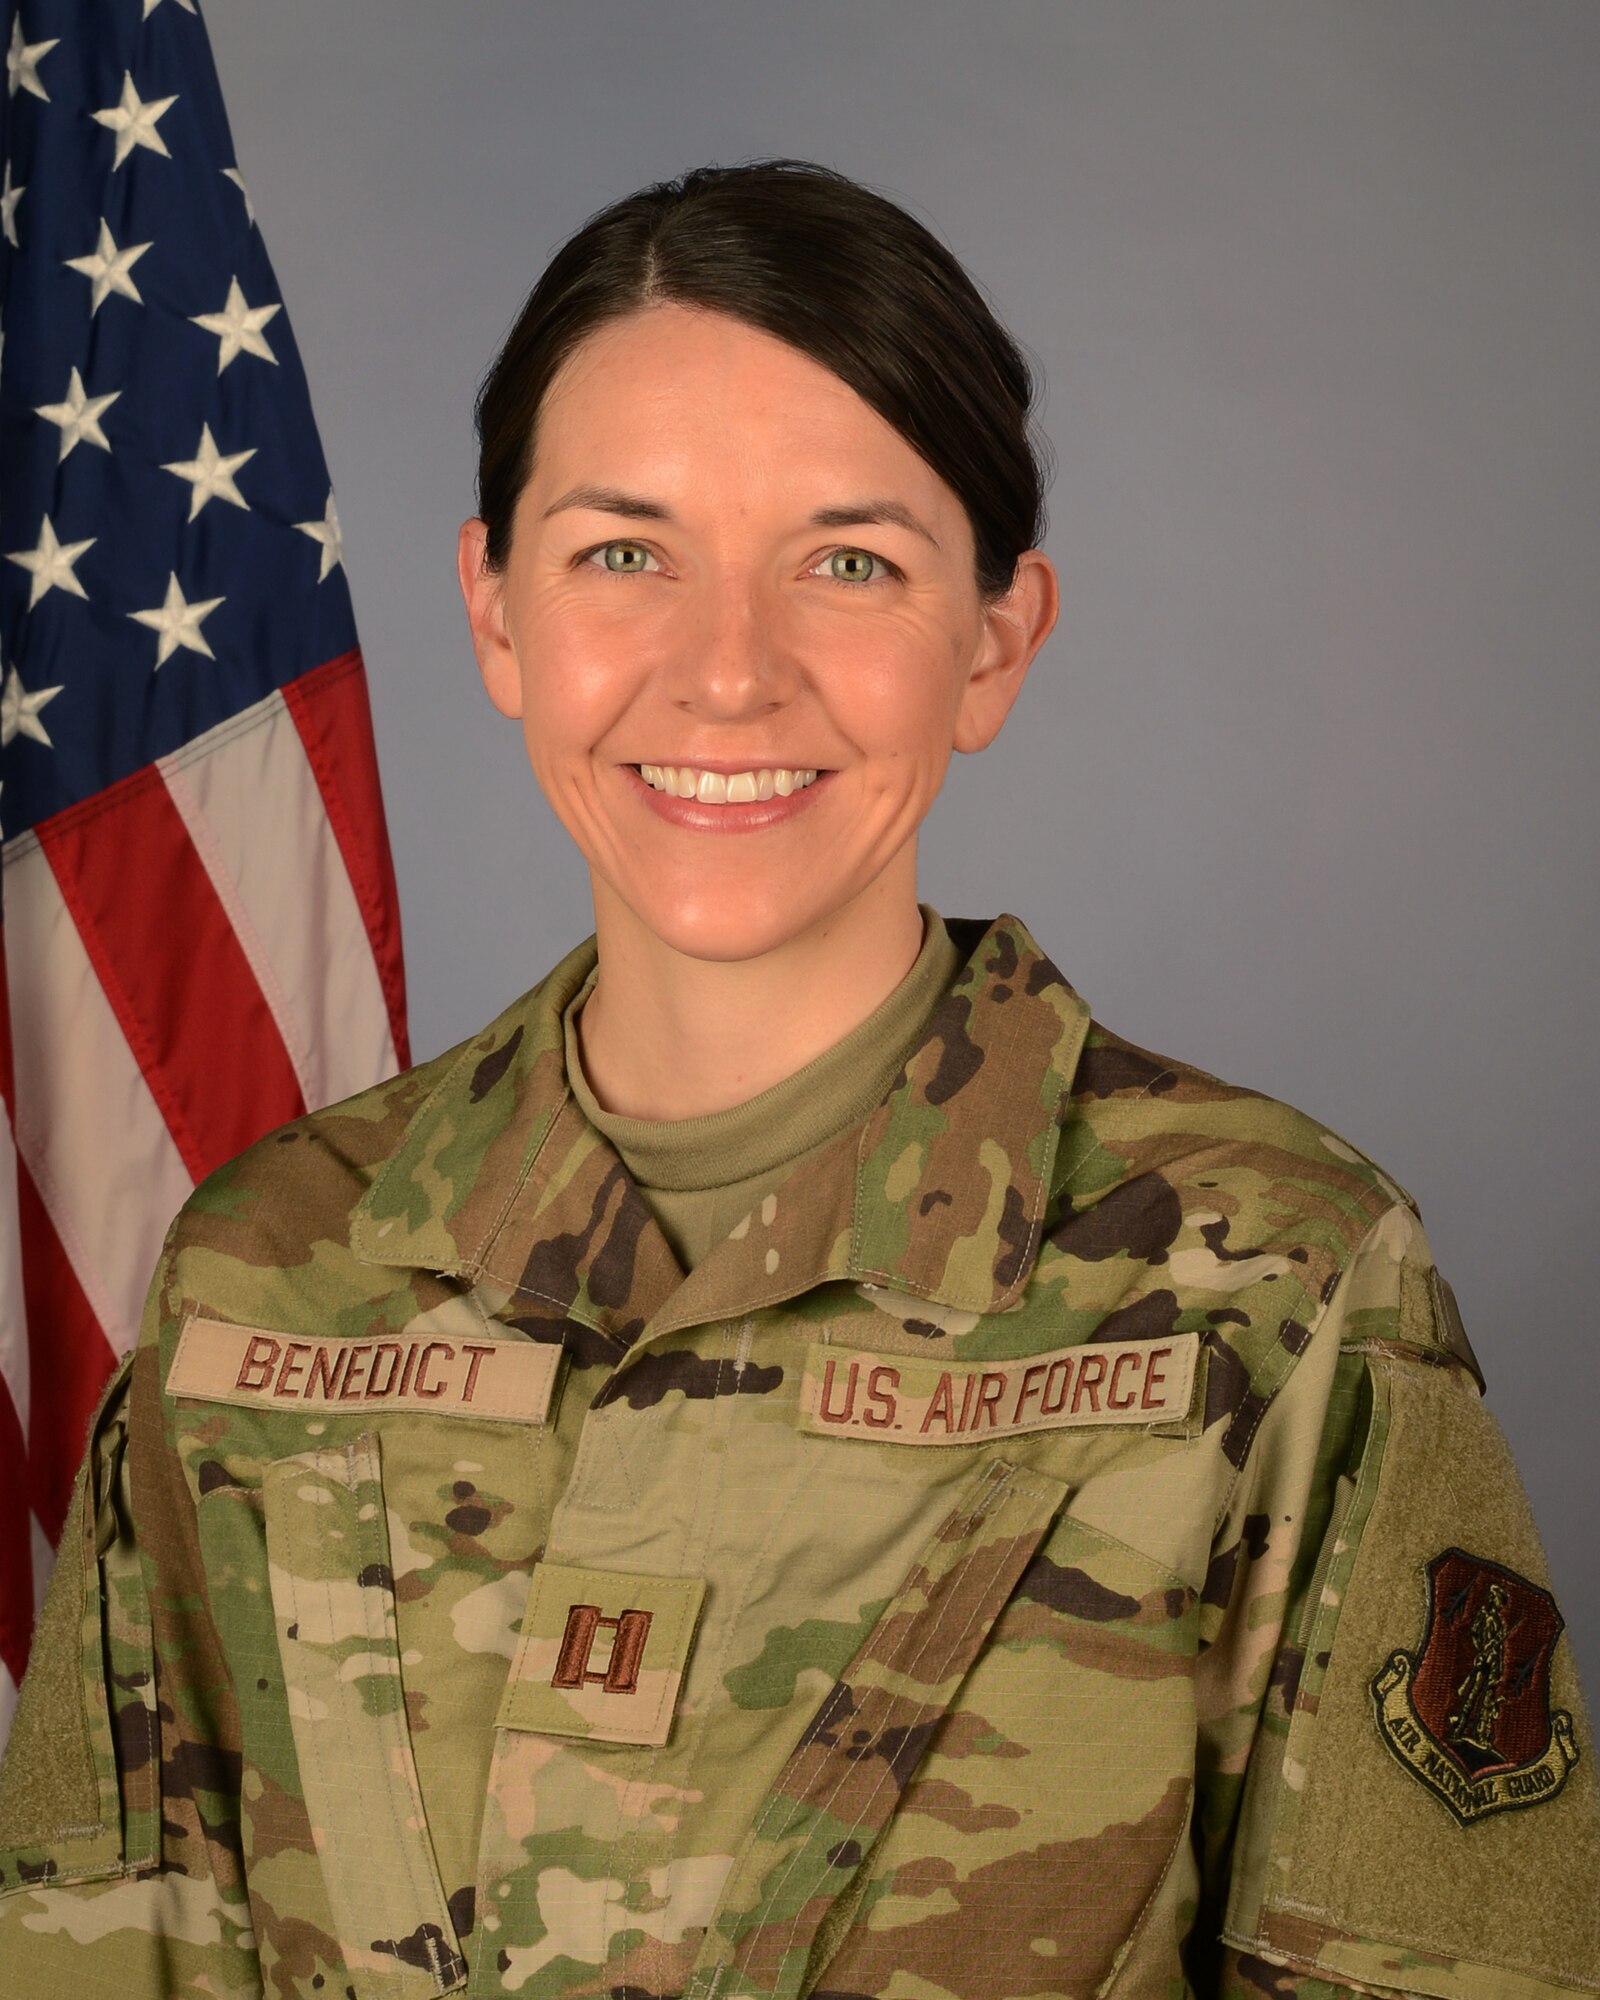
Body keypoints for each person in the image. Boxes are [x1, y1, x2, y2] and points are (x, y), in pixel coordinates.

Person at [0, 159, 1594, 2000]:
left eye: (849, 562)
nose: (729, 675)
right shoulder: (267, 1274)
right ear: (497, 612)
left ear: (993, 640)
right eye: (624, 553)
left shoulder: (1278, 1288)